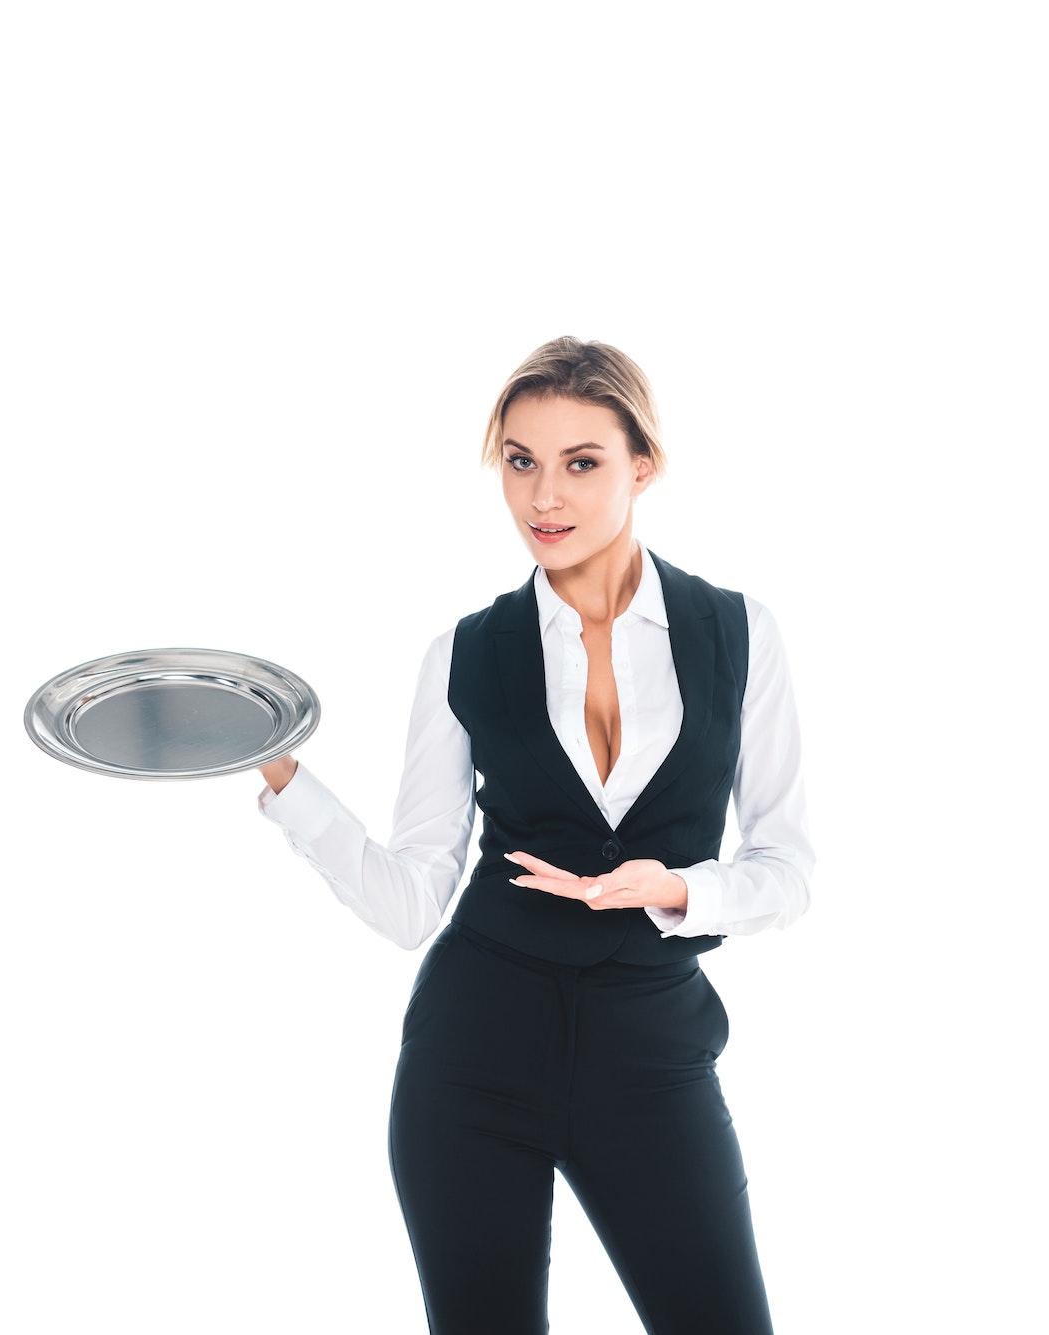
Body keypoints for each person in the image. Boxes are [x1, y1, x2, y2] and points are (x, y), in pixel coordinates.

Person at [253, 335, 814, 1334]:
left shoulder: (739, 635)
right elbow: (411, 901)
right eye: (519, 462)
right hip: (471, 1058)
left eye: (579, 463)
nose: (541, 498)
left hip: (650, 1061)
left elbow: (787, 868)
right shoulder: (464, 654)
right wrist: (282, 778)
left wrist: (676, 889)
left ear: (642, 466)